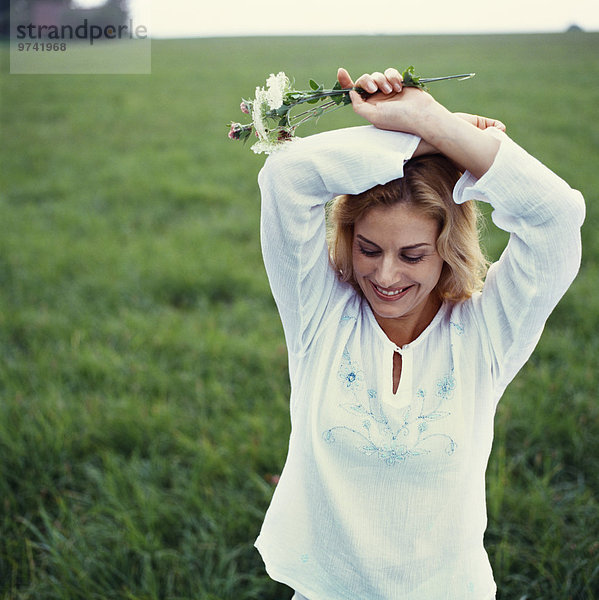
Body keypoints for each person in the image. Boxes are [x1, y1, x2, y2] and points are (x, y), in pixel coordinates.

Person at [254, 66, 585, 599]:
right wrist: (417, 140)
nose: (385, 276)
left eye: (412, 255)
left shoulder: (486, 334)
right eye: (368, 249)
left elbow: (557, 216)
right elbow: (285, 175)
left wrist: (431, 119)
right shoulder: (318, 314)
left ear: (447, 251)